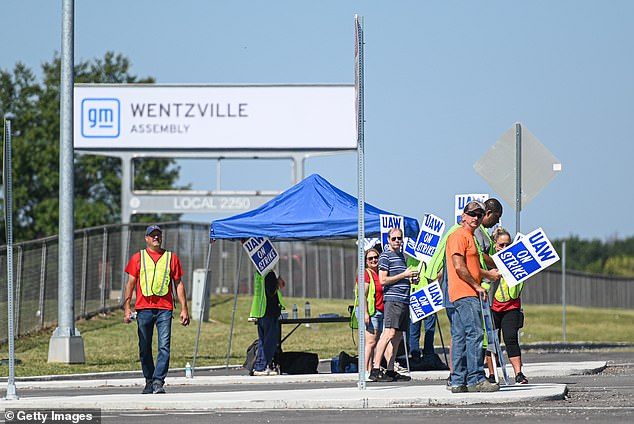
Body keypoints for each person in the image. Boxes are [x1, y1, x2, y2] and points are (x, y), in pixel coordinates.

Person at [123, 225, 190, 394]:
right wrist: (126, 308)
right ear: (146, 238)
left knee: (164, 346)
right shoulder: (138, 258)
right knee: (144, 346)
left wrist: (184, 308)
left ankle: (159, 381)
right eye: (152, 235)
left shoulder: (171, 258)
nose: (156, 238)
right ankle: (149, 380)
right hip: (143, 309)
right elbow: (130, 284)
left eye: (158, 235)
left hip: (164, 309)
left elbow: (178, 284)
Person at [446, 200, 501, 393]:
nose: (476, 218)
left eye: (479, 215)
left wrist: (488, 275)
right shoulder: (459, 236)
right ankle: (475, 378)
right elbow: (459, 267)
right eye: (472, 214)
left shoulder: (470, 237)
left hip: (465, 292)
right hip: (465, 293)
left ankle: (458, 381)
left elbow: (472, 268)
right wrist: (477, 286)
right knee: (476, 334)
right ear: (463, 216)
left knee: (460, 336)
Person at [370, 228, 419, 382]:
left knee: (397, 337)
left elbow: (399, 278)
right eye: (394, 238)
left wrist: (411, 280)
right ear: (389, 240)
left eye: (400, 238)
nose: (397, 241)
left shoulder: (401, 257)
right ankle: (376, 368)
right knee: (389, 333)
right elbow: (383, 280)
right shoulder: (385, 256)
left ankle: (390, 369)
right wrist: (404, 275)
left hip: (404, 299)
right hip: (393, 300)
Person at [485, 227, 529, 384]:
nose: (504, 248)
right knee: (491, 342)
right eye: (501, 245)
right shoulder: (489, 261)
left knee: (511, 338)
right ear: (495, 245)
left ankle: (519, 373)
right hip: (491, 306)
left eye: (507, 245)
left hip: (511, 306)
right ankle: (492, 374)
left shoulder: (515, 261)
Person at [250, 270, 286, 376]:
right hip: (268, 311)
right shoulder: (269, 274)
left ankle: (260, 366)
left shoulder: (258, 273)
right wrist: (276, 282)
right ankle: (262, 366)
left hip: (260, 311)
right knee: (270, 341)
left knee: (263, 341)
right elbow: (270, 291)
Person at [354, 248, 385, 373]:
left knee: (374, 342)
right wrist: (365, 313)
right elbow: (363, 295)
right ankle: (364, 372)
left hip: (378, 311)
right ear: (366, 261)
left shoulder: (380, 273)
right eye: (370, 258)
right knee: (370, 343)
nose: (374, 260)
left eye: (376, 257)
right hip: (370, 312)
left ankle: (370, 370)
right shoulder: (366, 274)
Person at [474, 198, 504, 270]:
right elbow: (480, 256)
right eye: (496, 217)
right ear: (488, 213)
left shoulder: (482, 231)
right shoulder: (476, 230)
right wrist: (500, 266)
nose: (497, 221)